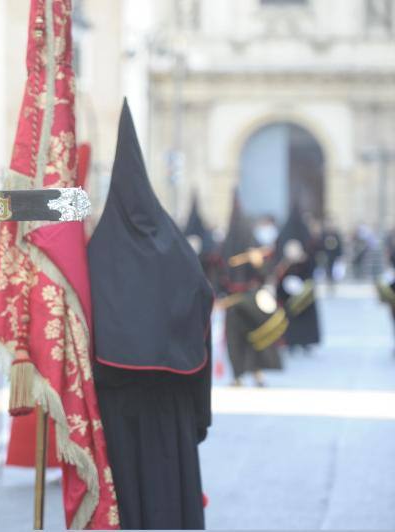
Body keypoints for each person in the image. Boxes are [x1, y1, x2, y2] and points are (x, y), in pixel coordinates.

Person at [88, 100, 213, 529]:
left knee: (128, 502)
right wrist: (200, 414)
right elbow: (202, 327)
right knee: (169, 500)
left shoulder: (97, 255)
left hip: (116, 408)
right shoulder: (179, 252)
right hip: (172, 406)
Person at [219, 195, 285, 386]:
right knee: (233, 340)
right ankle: (237, 376)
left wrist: (259, 264)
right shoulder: (225, 247)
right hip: (232, 301)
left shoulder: (254, 246)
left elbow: (267, 274)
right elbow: (217, 274)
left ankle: (257, 373)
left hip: (252, 299)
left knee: (257, 337)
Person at [275, 205, 321, 352]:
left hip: (303, 283)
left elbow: (312, 259)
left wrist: (303, 259)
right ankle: (291, 340)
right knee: (290, 314)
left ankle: (304, 341)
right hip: (287, 286)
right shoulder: (286, 236)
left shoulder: (303, 237)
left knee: (303, 313)